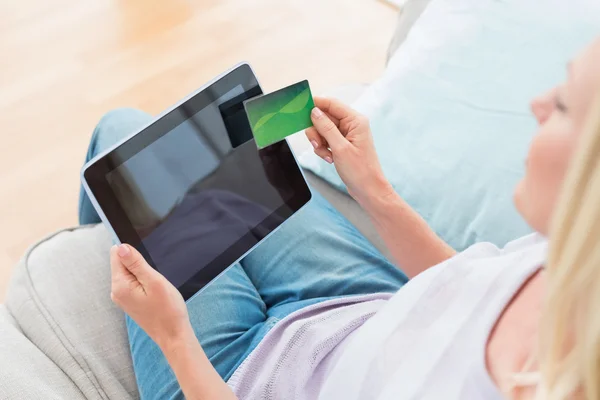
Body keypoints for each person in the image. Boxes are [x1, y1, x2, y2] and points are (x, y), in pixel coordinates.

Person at [79, 38, 600, 399]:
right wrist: (372, 187)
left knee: (120, 131)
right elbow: (466, 286)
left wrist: (172, 336)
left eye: (562, 104)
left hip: (240, 374)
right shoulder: (567, 259)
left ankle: (95, 257)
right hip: (367, 305)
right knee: (233, 151)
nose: (535, 104)